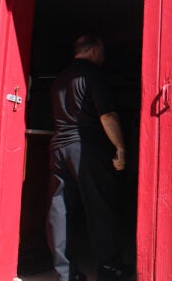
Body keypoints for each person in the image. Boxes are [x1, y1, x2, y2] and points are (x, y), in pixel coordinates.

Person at [46, 34, 131, 281]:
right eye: (102, 52)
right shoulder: (93, 75)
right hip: (85, 148)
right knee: (100, 208)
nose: (103, 57)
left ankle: (65, 273)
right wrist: (120, 148)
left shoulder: (59, 78)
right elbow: (107, 116)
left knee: (58, 209)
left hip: (58, 147)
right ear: (93, 50)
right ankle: (109, 267)